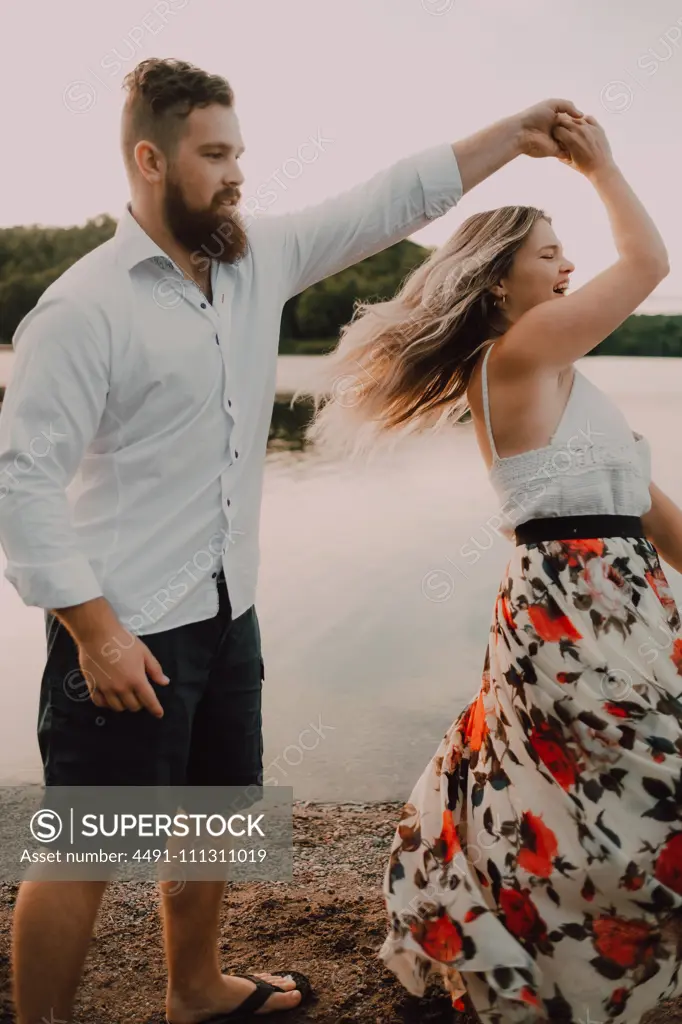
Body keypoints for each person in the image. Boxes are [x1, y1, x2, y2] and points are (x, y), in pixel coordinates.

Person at [0, 56, 581, 1024]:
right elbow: (20, 481)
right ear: (149, 158)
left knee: (219, 822)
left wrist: (511, 135)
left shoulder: (252, 260)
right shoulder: (82, 305)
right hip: (125, 630)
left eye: (241, 153)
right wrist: (94, 631)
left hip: (229, 610)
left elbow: (385, 201)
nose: (237, 174)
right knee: (85, 843)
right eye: (215, 154)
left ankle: (195, 989)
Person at [304, 114, 682, 1022]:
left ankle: (561, 949)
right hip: (571, 612)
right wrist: (606, 166)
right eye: (549, 255)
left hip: (628, 606)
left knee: (592, 789)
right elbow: (650, 266)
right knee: (641, 784)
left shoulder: (569, 383)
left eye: (565, 254)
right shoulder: (516, 356)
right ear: (499, 281)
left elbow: (645, 504)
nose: (567, 269)